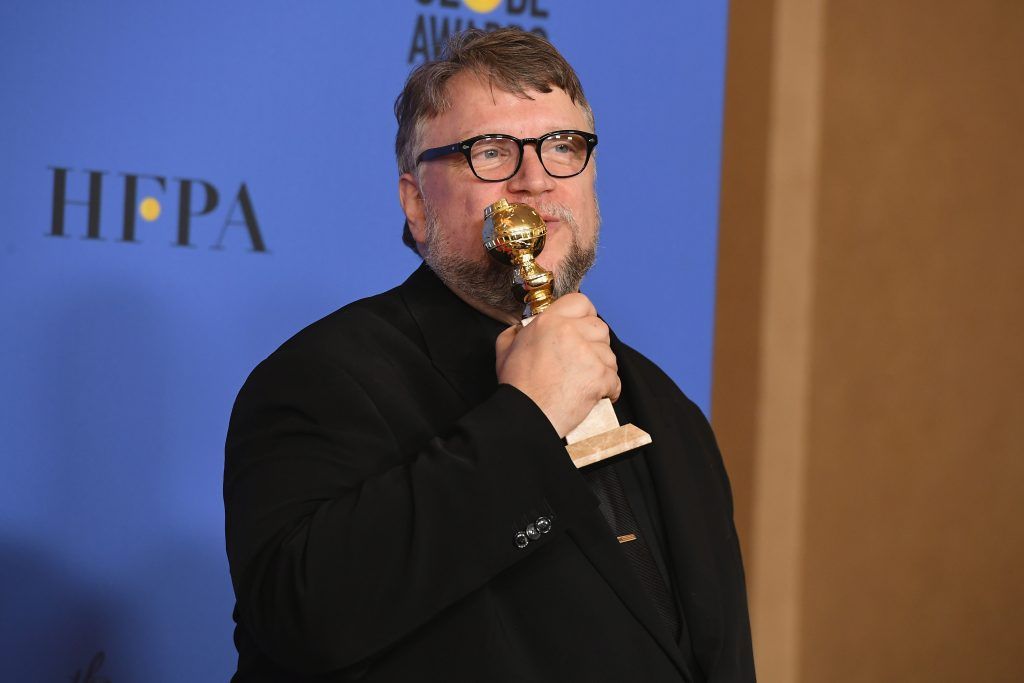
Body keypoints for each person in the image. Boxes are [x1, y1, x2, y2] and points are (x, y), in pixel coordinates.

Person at [224, 28, 754, 683]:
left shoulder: (672, 410)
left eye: (564, 146)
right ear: (417, 204)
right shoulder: (323, 378)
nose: (535, 181)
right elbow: (301, 621)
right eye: (491, 152)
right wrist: (527, 417)